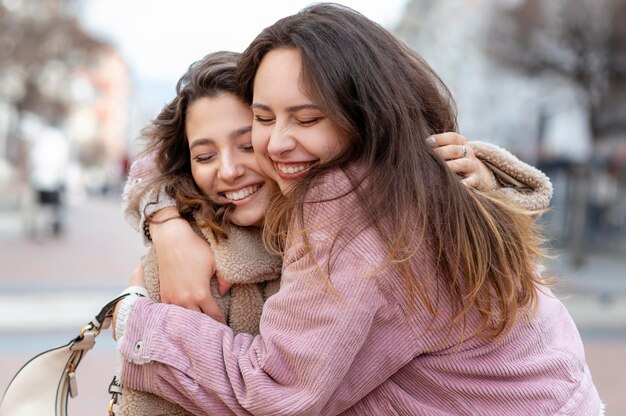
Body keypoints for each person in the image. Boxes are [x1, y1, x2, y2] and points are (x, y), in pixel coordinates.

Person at [115, 4, 601, 415]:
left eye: (305, 118)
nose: (276, 143)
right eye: (264, 118)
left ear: (363, 114)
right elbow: (169, 144)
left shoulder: (346, 203)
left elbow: (274, 390)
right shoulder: (410, 169)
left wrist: (133, 320)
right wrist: (165, 219)